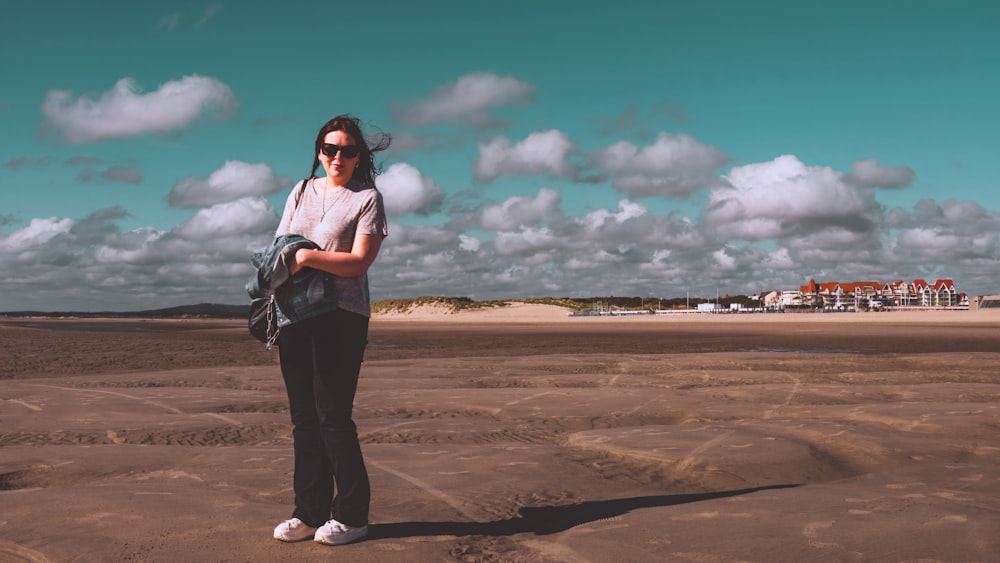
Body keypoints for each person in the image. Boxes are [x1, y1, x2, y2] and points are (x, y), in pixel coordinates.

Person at [271, 115, 389, 546]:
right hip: (293, 314)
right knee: (304, 419)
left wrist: (305, 259)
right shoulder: (301, 190)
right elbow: (280, 244)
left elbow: (358, 262)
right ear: (319, 152)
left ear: (360, 156)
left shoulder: (367, 199)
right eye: (329, 148)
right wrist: (287, 264)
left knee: (333, 418)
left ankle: (352, 516)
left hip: (342, 316)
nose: (337, 157)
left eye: (347, 150)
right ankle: (308, 512)